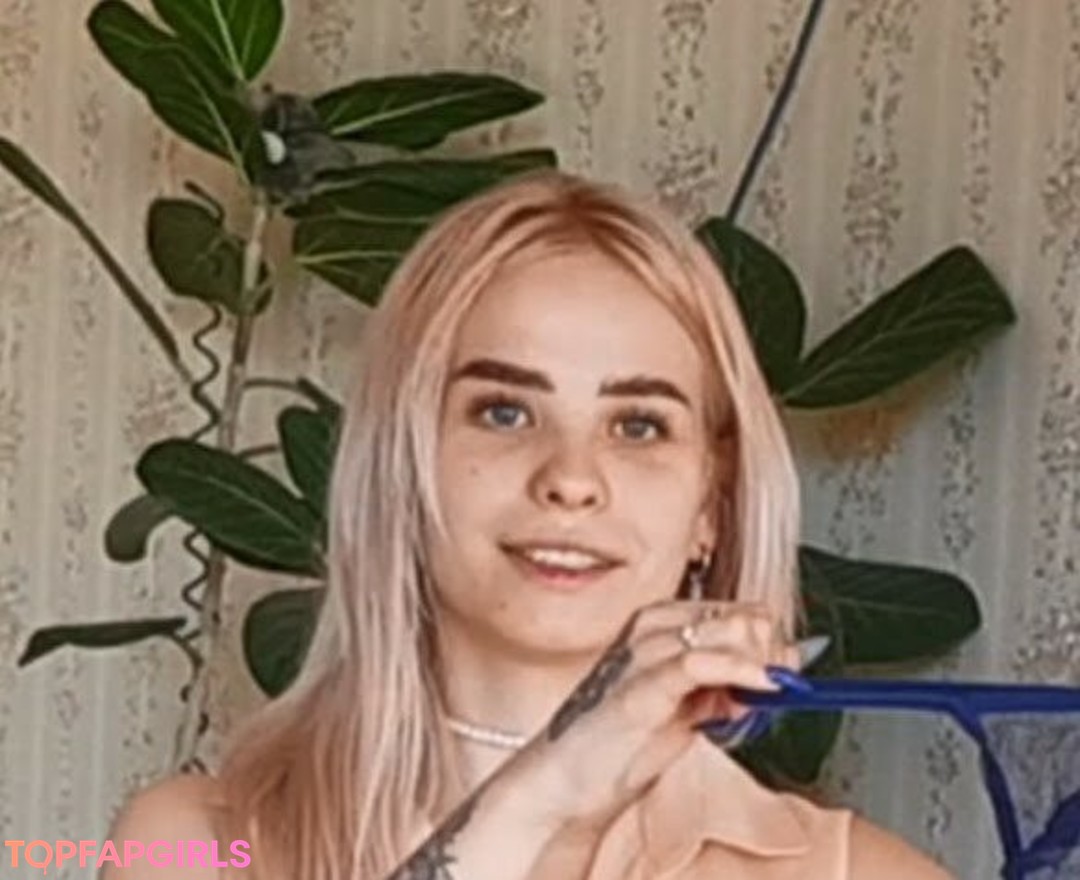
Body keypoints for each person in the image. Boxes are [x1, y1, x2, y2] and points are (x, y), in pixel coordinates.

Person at [103, 170, 952, 879]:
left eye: (639, 425)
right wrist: (541, 799)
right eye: (503, 412)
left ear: (711, 507)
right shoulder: (191, 846)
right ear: (403, 465)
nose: (571, 479)